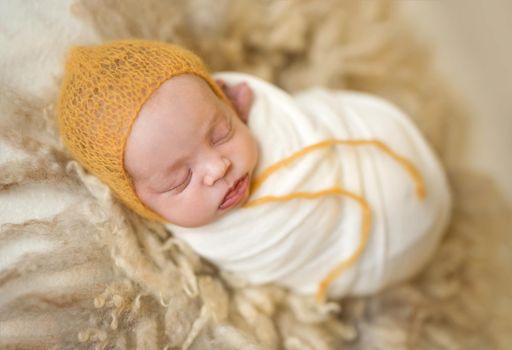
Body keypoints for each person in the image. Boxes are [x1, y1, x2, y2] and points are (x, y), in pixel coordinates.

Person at [58, 39, 452, 303]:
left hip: (394, 159)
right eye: (179, 180)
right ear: (137, 202)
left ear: (231, 98)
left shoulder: (261, 115)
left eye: (221, 131)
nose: (218, 167)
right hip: (377, 255)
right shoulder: (221, 242)